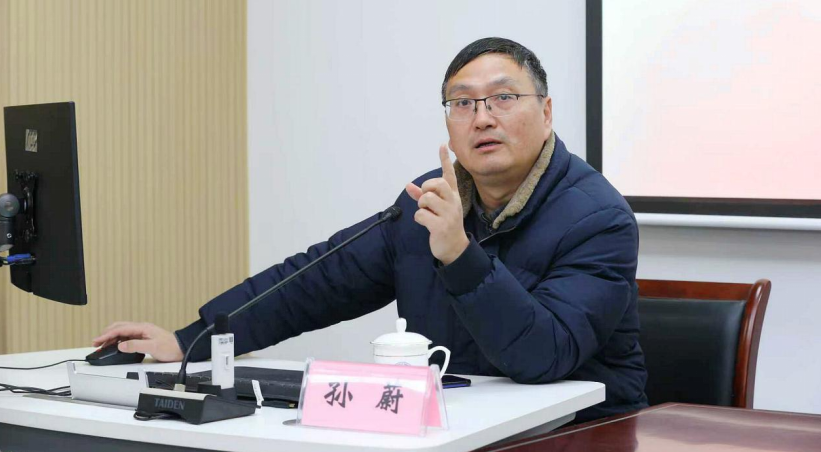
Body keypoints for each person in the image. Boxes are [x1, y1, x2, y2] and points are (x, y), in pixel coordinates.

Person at [93, 37, 648, 422]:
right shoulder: (426, 200)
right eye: (462, 103)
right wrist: (191, 340)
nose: (482, 116)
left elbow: (543, 356)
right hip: (459, 425)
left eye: (503, 97)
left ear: (546, 112)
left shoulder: (599, 219)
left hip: (580, 430)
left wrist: (460, 256)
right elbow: (318, 280)